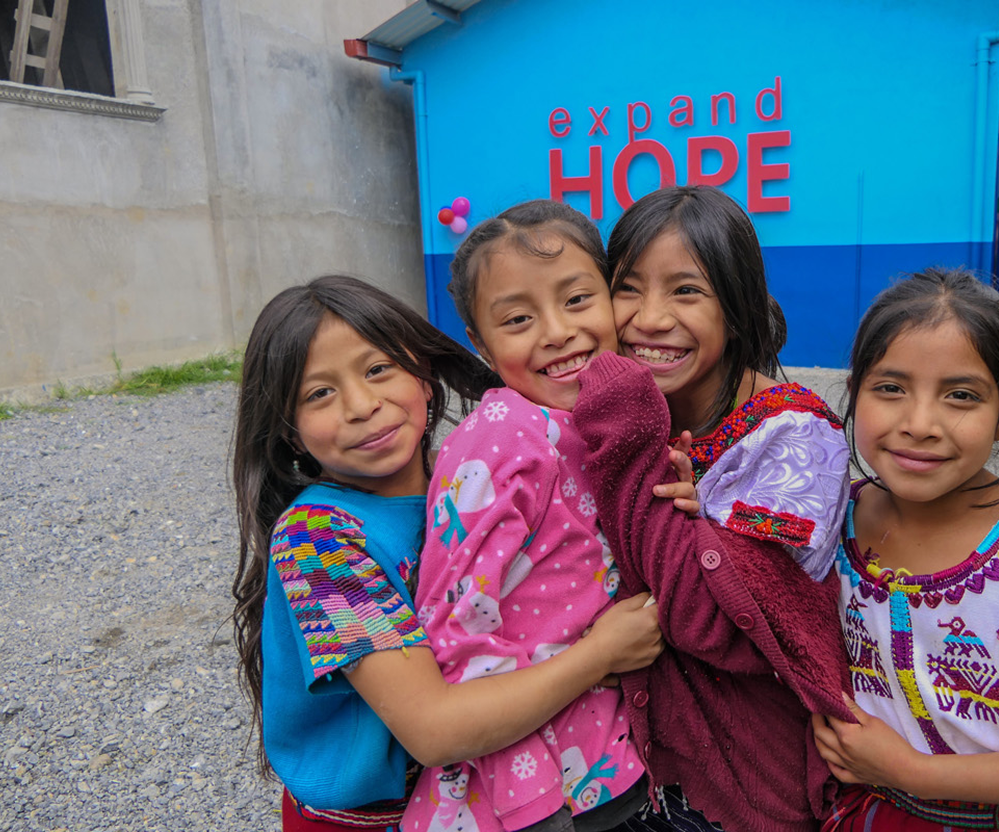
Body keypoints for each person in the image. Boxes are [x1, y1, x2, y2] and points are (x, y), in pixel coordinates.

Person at [231, 275, 665, 832]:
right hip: (370, 820)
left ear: (424, 378)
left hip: (482, 794)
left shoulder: (464, 485)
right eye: (320, 393)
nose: (362, 405)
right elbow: (433, 731)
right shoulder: (319, 545)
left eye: (377, 369)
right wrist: (599, 656)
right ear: (290, 434)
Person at [403, 200, 698, 832]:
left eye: (576, 299)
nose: (556, 331)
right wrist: (527, 801)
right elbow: (457, 633)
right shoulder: (503, 436)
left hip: (605, 769)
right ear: (480, 344)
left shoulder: (600, 420)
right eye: (517, 318)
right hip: (530, 798)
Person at [569, 185, 855, 831]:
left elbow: (722, 625)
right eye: (628, 287)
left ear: (738, 306)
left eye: (686, 291)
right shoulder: (645, 411)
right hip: (638, 766)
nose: (649, 318)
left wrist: (637, 459)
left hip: (749, 785)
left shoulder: (795, 437)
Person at [811, 267, 999, 830]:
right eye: (891, 388)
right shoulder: (824, 523)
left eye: (962, 396)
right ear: (855, 392)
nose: (920, 424)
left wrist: (911, 771)